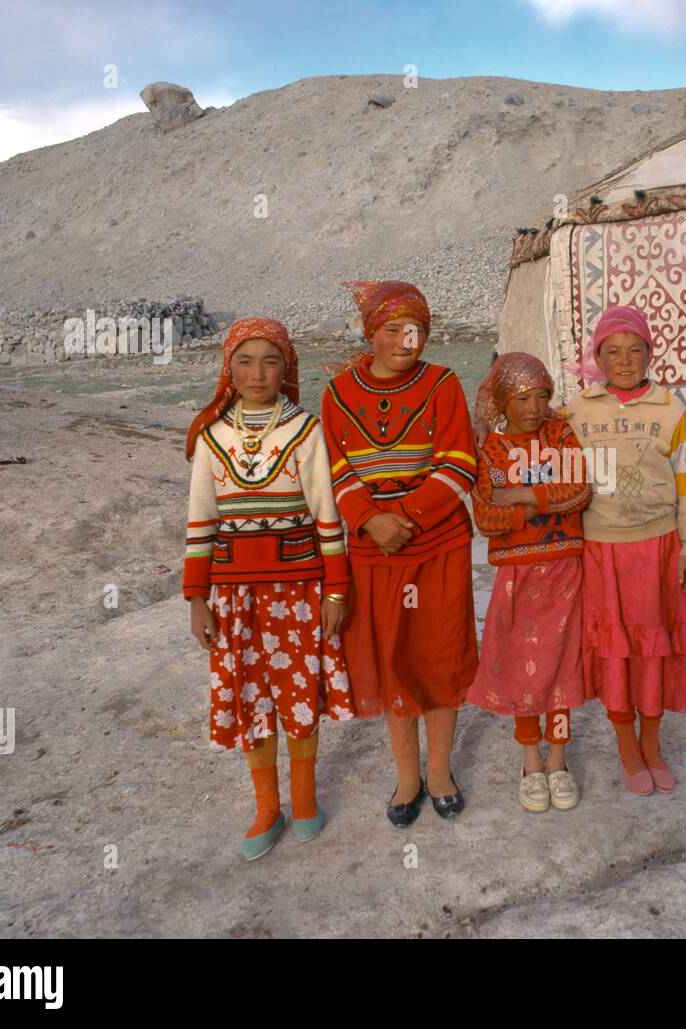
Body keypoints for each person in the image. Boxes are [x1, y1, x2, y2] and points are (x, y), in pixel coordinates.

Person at [184, 317, 353, 860]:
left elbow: (327, 515)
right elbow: (200, 522)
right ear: (227, 369)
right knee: (251, 696)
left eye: (271, 360)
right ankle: (266, 807)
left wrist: (335, 591)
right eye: (245, 361)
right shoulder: (212, 438)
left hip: (299, 587)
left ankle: (304, 801)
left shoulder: (306, 430)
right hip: (235, 597)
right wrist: (196, 600)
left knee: (299, 692)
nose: (257, 373)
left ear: (288, 367)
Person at [321, 281, 479, 826]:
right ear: (371, 333)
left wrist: (403, 518)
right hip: (373, 553)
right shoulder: (338, 393)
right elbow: (336, 467)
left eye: (417, 329)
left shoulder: (443, 384)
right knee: (392, 662)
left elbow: (460, 462)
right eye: (393, 329)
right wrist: (368, 518)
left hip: (438, 546)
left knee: (438, 655)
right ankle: (406, 773)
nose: (406, 340)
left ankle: (439, 769)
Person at [563, 305, 686, 795]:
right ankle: (626, 746)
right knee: (614, 652)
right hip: (600, 551)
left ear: (651, 353)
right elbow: (536, 456)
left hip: (658, 549)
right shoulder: (576, 411)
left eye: (634, 350)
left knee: (653, 650)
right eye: (612, 351)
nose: (624, 360)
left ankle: (652, 744)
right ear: (597, 357)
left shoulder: (671, 410)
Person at [467, 353, 591, 813]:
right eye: (523, 398)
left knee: (561, 671)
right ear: (503, 401)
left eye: (542, 396)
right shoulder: (493, 449)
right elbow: (485, 516)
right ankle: (531, 761)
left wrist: (518, 497)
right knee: (523, 669)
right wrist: (546, 498)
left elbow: (578, 491)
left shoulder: (559, 433)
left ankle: (559, 761)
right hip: (517, 576)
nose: (536, 407)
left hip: (564, 571)